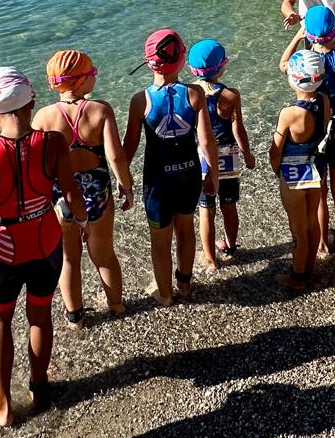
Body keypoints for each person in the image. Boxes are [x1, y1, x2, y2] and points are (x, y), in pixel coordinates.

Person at [0, 68, 85, 428]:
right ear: (32, 102)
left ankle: (3, 406)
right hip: (46, 242)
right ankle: (39, 385)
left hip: (5, 250)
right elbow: (70, 192)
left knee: (0, 317)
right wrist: (80, 223)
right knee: (40, 314)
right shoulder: (53, 143)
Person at [33, 50, 134, 328]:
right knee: (103, 254)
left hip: (61, 198)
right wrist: (126, 187)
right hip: (98, 193)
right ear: (79, 81)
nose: (95, 76)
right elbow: (115, 156)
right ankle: (116, 304)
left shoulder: (43, 117)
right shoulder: (100, 110)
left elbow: (37, 165)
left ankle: (75, 316)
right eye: (92, 73)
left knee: (69, 258)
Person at [122, 30, 215, 305]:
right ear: (182, 58)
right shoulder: (195, 94)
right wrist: (213, 175)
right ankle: (185, 283)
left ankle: (165, 295)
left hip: (157, 183)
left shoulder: (141, 101)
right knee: (186, 229)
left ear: (148, 62)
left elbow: (129, 146)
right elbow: (206, 141)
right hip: (188, 176)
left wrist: (123, 181)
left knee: (159, 242)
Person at [281, 6, 335, 254]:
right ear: (334, 31)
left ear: (308, 33)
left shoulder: (303, 64)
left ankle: (321, 242)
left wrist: (297, 36)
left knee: (320, 191)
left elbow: (283, 64)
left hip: (315, 130)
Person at [189, 38, 254, 271]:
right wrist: (247, 155)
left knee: (206, 210)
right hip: (228, 153)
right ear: (223, 66)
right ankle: (230, 246)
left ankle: (210, 259)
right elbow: (238, 130)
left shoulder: (190, 94)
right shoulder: (230, 95)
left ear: (191, 69)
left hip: (203, 156)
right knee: (229, 205)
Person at [270, 51, 329, 291]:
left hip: (293, 176)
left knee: (297, 227)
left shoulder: (289, 113)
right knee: (312, 221)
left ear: (293, 79)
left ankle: (297, 275)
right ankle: (309, 265)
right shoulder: (324, 100)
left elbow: (276, 149)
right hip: (317, 168)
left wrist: (276, 170)